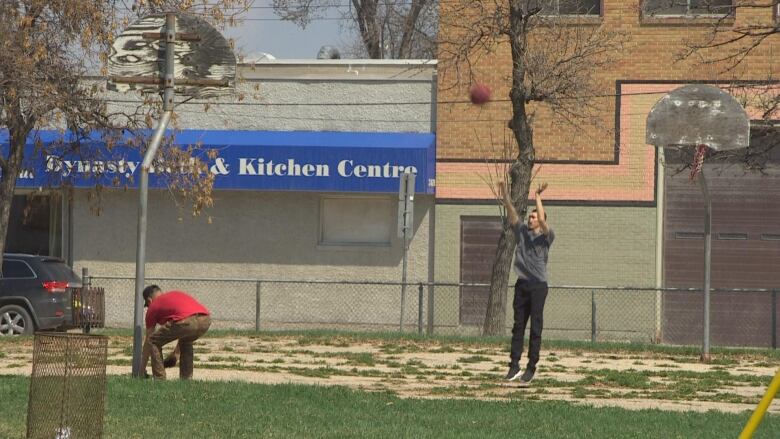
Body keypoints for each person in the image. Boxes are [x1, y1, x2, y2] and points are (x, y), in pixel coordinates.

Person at [498, 180, 555, 384]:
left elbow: (542, 216)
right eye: (529, 217)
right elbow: (512, 215)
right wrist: (505, 196)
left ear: (541, 222)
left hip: (538, 286)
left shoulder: (547, 237)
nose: (531, 219)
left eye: (534, 217)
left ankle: (531, 368)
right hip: (522, 285)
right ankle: (514, 367)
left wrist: (538, 196)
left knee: (535, 327)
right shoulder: (522, 233)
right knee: (518, 326)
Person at [141, 285, 211, 379]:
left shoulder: (153, 306)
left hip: (186, 322)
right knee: (186, 342)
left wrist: (141, 369)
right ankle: (186, 379)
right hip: (205, 320)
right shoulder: (174, 295)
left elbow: (148, 341)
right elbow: (185, 327)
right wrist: (176, 353)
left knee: (153, 341)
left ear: (149, 300)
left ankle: (159, 379)